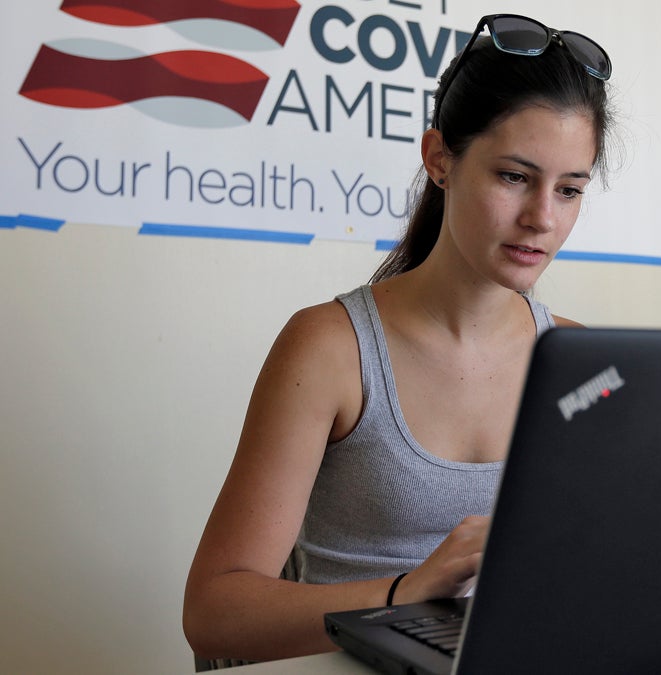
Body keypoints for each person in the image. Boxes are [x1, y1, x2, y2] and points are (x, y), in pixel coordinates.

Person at [183, 14, 614, 662]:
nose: (542, 218)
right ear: (439, 159)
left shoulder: (583, 363)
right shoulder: (331, 348)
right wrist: (407, 590)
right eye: (513, 176)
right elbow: (214, 612)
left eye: (570, 189)